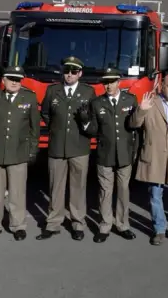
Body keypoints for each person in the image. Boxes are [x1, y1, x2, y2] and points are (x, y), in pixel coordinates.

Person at [129, 74, 168, 249]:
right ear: (161, 86)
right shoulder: (150, 102)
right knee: (155, 197)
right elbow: (134, 124)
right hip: (154, 158)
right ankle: (159, 230)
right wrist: (141, 109)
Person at [0, 65, 39, 242]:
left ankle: (18, 226)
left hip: (18, 152)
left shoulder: (30, 97)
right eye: (11, 78)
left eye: (18, 79)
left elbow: (35, 128)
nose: (14, 82)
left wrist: (33, 150)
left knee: (17, 193)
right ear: (3, 80)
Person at [37, 56, 95, 241]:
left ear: (80, 74)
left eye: (73, 71)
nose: (69, 75)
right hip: (57, 146)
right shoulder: (53, 90)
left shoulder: (88, 92)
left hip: (79, 146)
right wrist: (56, 127)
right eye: (66, 71)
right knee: (56, 187)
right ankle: (53, 223)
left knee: (78, 187)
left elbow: (92, 118)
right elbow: (45, 112)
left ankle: (78, 223)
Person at [80, 68, 138, 243]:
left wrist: (135, 151)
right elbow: (93, 131)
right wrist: (84, 121)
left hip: (125, 154)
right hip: (105, 154)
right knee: (105, 192)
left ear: (118, 82)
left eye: (111, 82)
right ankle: (105, 226)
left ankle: (122, 225)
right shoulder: (97, 103)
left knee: (123, 191)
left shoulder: (131, 100)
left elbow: (136, 127)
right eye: (105, 83)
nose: (108, 86)